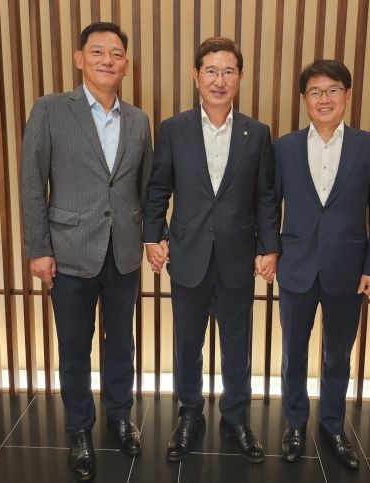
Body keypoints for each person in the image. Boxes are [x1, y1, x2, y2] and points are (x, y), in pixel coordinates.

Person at [20, 22, 152, 482]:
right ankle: (79, 429)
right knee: (74, 347)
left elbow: (144, 188)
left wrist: (150, 237)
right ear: (79, 59)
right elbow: (32, 183)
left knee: (122, 344)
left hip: (123, 252)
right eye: (97, 51)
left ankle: (119, 417)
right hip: (70, 251)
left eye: (116, 53)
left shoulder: (138, 119)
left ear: (126, 65)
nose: (107, 60)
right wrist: (38, 249)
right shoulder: (51, 109)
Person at [143, 37, 280, 463]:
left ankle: (235, 418)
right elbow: (158, 188)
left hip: (239, 256)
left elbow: (265, 197)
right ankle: (190, 416)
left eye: (228, 72)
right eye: (211, 71)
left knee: (237, 346)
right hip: (188, 255)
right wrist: (152, 236)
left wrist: (269, 246)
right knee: (187, 345)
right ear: (196, 76)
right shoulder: (174, 128)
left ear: (239, 77)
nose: (219, 80)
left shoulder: (257, 133)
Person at [272, 59, 370, 469]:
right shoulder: (285, 147)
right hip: (296, 266)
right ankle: (294, 424)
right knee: (293, 353)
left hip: (349, 268)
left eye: (333, 90)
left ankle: (333, 425)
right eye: (315, 92)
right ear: (304, 98)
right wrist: (269, 250)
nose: (324, 99)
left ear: (347, 95)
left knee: (338, 354)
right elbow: (270, 206)